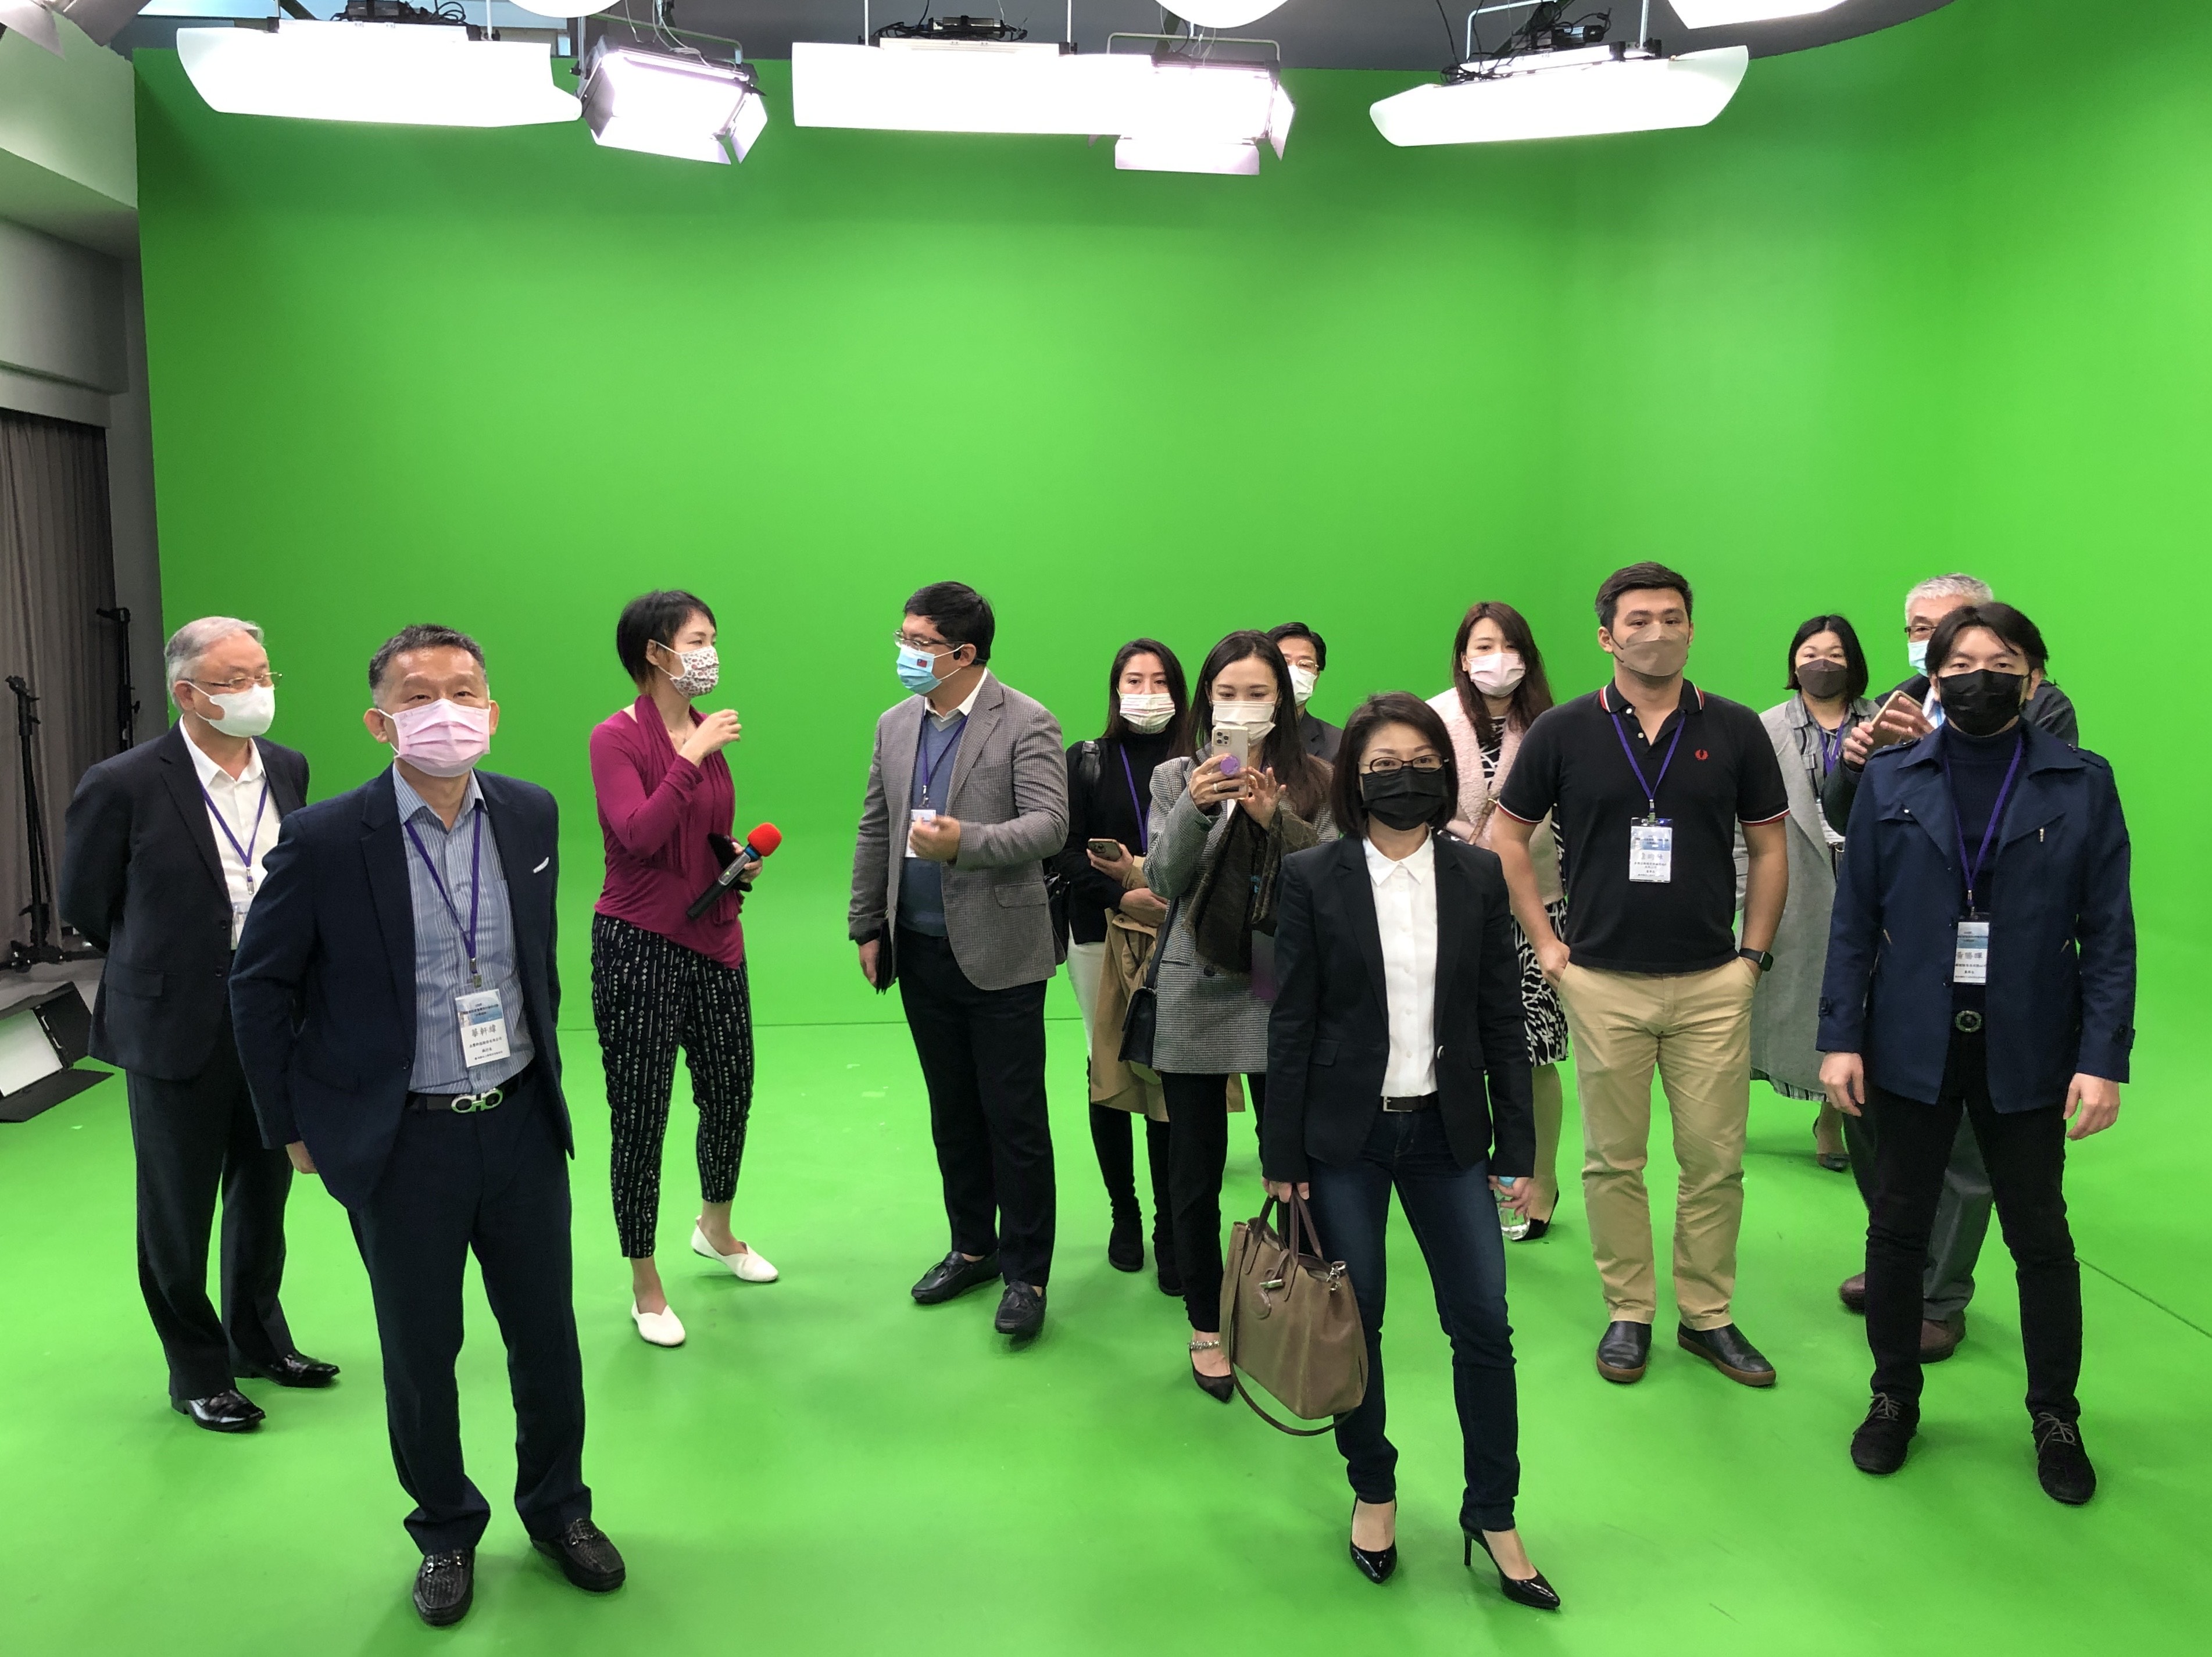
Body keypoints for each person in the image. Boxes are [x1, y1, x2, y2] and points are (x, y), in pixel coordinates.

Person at [230, 625, 623, 1627]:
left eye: (463, 690)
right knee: (420, 1349)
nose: (445, 710)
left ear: (492, 711)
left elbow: (532, 960)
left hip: (522, 1122)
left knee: (547, 1336)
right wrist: (288, 1122)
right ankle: (445, 1526)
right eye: (418, 695)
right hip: (402, 1140)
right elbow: (259, 986)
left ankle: (559, 1509)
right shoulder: (326, 839)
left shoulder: (529, 812)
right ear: (380, 722)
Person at [1817, 602, 2131, 1505]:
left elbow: (2109, 932)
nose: (1977, 677)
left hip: (2029, 1043)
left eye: (1999, 661)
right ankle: (1892, 1395)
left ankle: (2055, 1413)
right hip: (1908, 1040)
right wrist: (1839, 1036)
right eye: (1958, 663)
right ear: (1933, 676)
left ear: (2032, 676)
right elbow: (1854, 918)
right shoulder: (1891, 776)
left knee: (2040, 1236)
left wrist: (2102, 1057)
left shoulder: (2080, 780)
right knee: (1896, 1229)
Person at [1266, 693, 1559, 1611]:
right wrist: (1281, 1151)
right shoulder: (1312, 876)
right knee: (1357, 1323)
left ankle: (1493, 1510)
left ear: (1447, 772)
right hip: (1342, 1139)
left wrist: (1519, 1145)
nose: (1405, 776)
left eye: (1423, 762)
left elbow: (1501, 1016)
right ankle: (1374, 1486)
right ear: (1354, 779)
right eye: (1383, 764)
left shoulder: (1477, 874)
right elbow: (1290, 1021)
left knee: (1483, 1322)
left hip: (1448, 1134)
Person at [1492, 563, 1791, 1389]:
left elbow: (1769, 846)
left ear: (1691, 628)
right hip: (1601, 981)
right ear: (1606, 636)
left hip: (1712, 983)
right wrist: (1548, 947)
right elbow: (1507, 838)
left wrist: (1751, 958)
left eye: (1671, 617)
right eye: (1637, 620)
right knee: (1613, 1160)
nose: (1656, 632)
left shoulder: (1734, 728)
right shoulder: (1562, 731)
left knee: (1714, 1160)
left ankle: (1707, 1315)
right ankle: (1629, 1309)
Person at [58, 617, 335, 1433]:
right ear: (188, 693)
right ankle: (198, 1371)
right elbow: (86, 902)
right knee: (177, 1208)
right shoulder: (123, 782)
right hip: (173, 1018)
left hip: (271, 1013)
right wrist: (163, 959)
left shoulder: (287, 766)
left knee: (265, 1185)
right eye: (236, 679)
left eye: (264, 672)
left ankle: (260, 1340)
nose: (258, 690)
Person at [1823, 574, 2082, 1361]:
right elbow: (1846, 817)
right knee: (1883, 1143)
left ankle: (1940, 1291)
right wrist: (1860, 762)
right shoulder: (1890, 706)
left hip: (2005, 974)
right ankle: (1903, 1270)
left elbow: (2034, 811)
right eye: (1920, 628)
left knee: (1974, 1155)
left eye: (1954, 627)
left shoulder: (2044, 709)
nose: (1939, 646)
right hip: (1907, 970)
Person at [848, 582, 1069, 1341]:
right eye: (903, 637)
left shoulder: (1027, 720)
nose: (905, 653)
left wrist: (964, 842)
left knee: (1014, 1119)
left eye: (920, 643)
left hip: (1002, 954)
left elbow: (1049, 824)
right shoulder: (894, 724)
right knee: (953, 1112)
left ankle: (1027, 1272)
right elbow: (875, 825)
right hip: (918, 948)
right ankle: (973, 1246)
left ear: (963, 653)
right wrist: (866, 924)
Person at [1145, 630, 1334, 1399]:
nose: (1242, 707)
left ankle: (1289, 1308)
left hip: (1276, 976)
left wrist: (1273, 820)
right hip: (1196, 979)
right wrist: (1196, 809)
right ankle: (1205, 1323)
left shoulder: (1317, 779)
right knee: (1192, 1171)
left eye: (1258, 693)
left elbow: (1330, 884)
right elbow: (1163, 879)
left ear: (1282, 702)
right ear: (1206, 701)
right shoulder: (1175, 777)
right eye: (1228, 693)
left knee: (1293, 1164)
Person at [589, 590, 773, 1352]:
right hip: (639, 944)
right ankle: (645, 1279)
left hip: (716, 935)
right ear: (656, 652)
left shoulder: (705, 730)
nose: (710, 652)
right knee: (641, 1113)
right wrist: (690, 756)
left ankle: (715, 1228)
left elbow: (701, 825)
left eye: (712, 638)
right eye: (698, 639)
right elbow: (637, 834)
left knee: (730, 1090)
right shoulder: (616, 738)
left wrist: (732, 857)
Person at [1428, 602, 1570, 1241]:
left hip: (1534, 904)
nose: (1497, 659)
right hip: (1447, 900)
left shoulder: (1554, 724)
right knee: (1451, 1048)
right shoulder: (1432, 719)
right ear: (1462, 657)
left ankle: (1538, 1182)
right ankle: (1459, 1181)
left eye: (1509, 646)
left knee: (1533, 1052)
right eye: (1483, 646)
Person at [1055, 638, 1183, 1282]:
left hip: (1180, 936)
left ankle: (1168, 1224)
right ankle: (1124, 1215)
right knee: (1105, 1068)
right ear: (1115, 689)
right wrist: (1121, 892)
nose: (1147, 692)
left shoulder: (1202, 762)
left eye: (1159, 680)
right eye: (1134, 680)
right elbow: (1062, 850)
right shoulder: (1087, 760)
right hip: (1099, 934)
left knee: (1167, 1076)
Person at [1747, 615, 1877, 1173]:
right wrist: (1742, 893)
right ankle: (1724, 1116)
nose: (1821, 663)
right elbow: (1739, 817)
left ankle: (1833, 1118)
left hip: (1868, 883)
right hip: (1792, 883)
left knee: (1861, 1004)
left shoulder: (1884, 721)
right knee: (1769, 1007)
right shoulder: (1763, 727)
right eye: (1809, 654)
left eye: (1835, 654)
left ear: (1853, 663)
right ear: (1793, 663)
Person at [1267, 621, 1343, 761]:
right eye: (1284, 662)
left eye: (1305, 665)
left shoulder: (1338, 745)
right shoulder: (1229, 736)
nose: (1293, 672)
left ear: (1316, 677)